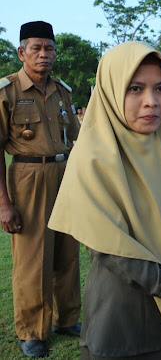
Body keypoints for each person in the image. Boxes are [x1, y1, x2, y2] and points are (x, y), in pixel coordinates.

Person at [47, 42, 161, 359]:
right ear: (110, 91)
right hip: (127, 326)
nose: (152, 102)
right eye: (135, 88)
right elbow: (114, 250)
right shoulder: (92, 159)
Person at [0, 21, 82, 357]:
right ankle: (32, 330)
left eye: (49, 48)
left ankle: (67, 318)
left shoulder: (63, 91)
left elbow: (77, 140)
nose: (44, 54)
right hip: (28, 176)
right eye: (36, 48)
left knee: (67, 252)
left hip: (65, 174)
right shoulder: (7, 92)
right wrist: (4, 205)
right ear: (22, 52)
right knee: (33, 258)